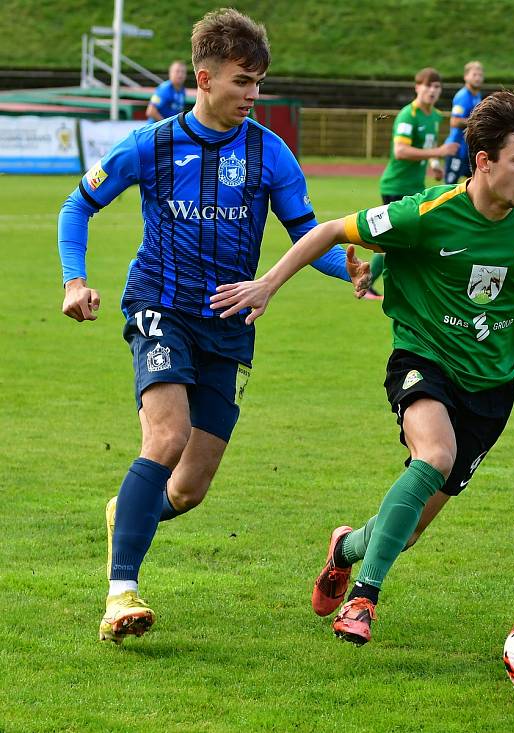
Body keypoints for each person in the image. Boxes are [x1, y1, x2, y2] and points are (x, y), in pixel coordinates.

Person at [209, 89, 514, 646]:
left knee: (406, 529)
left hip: (493, 385)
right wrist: (269, 283)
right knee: (434, 455)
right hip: (423, 357)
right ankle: (364, 599)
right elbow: (330, 231)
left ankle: (346, 548)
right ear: (484, 162)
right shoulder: (426, 212)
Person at [57, 8, 370, 645]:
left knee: (190, 488)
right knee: (166, 437)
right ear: (203, 78)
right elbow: (76, 205)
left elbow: (308, 238)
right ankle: (121, 595)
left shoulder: (270, 152)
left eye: (258, 83)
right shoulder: (153, 143)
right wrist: (74, 280)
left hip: (230, 322)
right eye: (241, 82)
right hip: (159, 306)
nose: (253, 96)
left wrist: (355, 274)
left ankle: (130, 508)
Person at [365, 67, 459, 300]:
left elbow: (428, 146)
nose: (432, 91)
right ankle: (369, 282)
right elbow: (400, 151)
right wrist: (440, 152)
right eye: (428, 86)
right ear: (417, 87)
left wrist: (435, 163)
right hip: (396, 186)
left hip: (414, 187)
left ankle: (407, 285)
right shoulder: (409, 115)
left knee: (407, 239)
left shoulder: (434, 116)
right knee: (395, 240)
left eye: (437, 87)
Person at [443, 60, 484, 184]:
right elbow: (455, 122)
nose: (478, 78)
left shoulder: (477, 95)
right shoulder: (463, 96)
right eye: (474, 75)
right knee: (450, 186)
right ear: (466, 76)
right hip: (457, 148)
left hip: (469, 148)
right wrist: (478, 123)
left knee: (476, 184)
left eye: (480, 75)